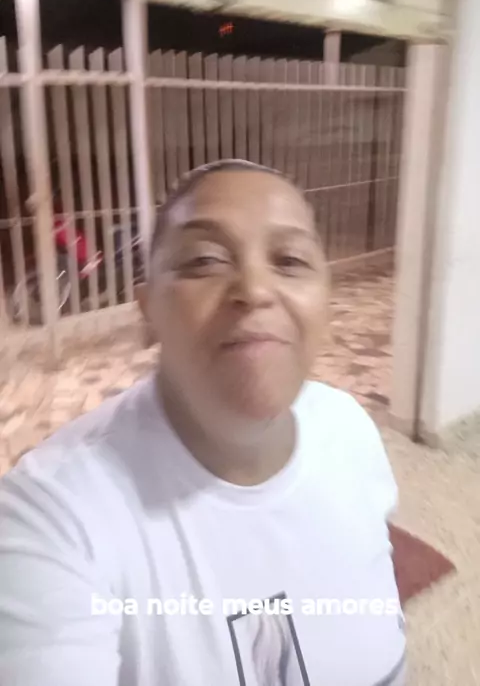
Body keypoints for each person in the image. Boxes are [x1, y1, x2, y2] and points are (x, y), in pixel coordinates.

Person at [0, 160, 406, 685]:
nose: (255, 290)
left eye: (289, 260)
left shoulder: (350, 431)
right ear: (148, 309)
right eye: (205, 261)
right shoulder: (53, 519)